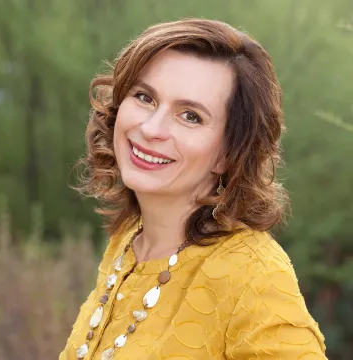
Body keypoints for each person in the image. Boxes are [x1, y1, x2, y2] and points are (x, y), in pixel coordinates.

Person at [59, 18, 327, 360]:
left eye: (191, 116)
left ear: (229, 153)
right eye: (145, 97)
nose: (151, 128)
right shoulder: (129, 240)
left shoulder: (253, 274)